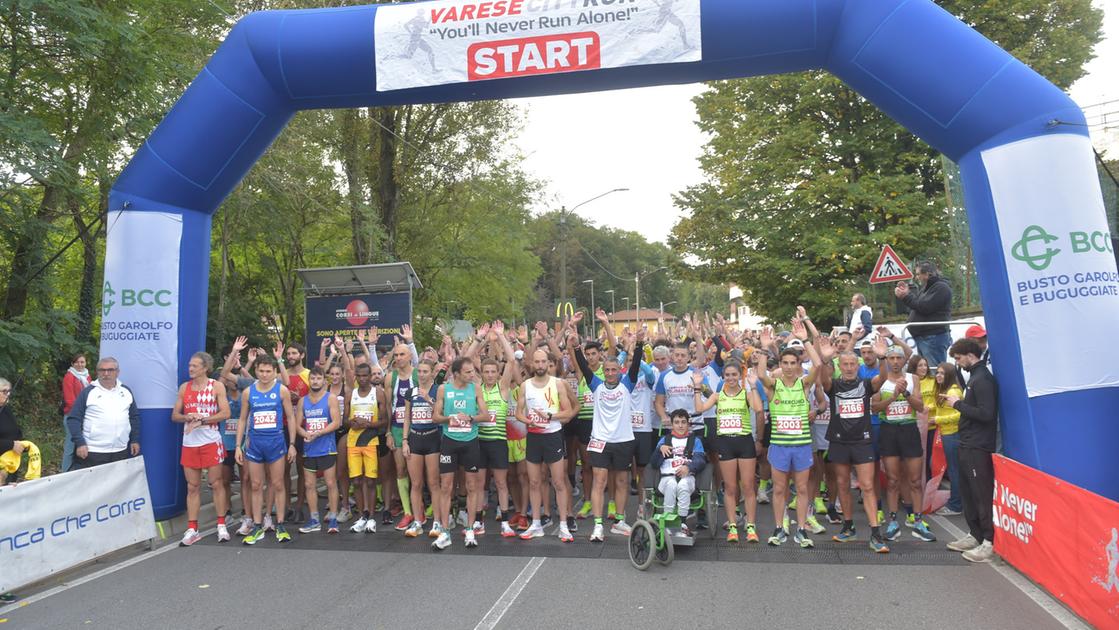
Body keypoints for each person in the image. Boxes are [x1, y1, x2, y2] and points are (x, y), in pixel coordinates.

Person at [568, 322, 643, 542]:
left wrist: (638, 343)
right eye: (607, 370)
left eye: (613, 370)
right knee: (599, 482)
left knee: (621, 482)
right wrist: (574, 345)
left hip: (623, 440)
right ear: (603, 371)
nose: (610, 373)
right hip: (600, 440)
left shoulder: (627, 383)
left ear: (620, 370)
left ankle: (619, 521)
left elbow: (636, 364)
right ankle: (598, 525)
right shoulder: (596, 384)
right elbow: (581, 362)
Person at [817, 337, 889, 553]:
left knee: (867, 485)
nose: (848, 368)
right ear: (840, 367)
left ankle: (876, 533)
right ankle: (848, 527)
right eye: (845, 364)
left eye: (852, 364)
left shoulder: (866, 384)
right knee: (842, 484)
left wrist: (882, 357)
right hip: (839, 440)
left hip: (862, 441)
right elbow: (823, 379)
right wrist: (825, 359)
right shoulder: (834, 384)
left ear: (857, 367)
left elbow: (883, 378)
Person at [753, 320, 820, 549]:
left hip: (801, 446)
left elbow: (818, 366)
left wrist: (806, 340)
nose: (790, 366)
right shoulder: (774, 387)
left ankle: (801, 529)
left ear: (798, 364)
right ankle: (779, 528)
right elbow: (761, 373)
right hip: (780, 447)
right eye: (785, 363)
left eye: (793, 362)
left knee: (801, 489)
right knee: (780, 489)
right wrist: (763, 347)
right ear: (780, 364)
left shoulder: (803, 385)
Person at [871, 345, 936, 543]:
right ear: (887, 360)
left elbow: (920, 407)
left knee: (915, 480)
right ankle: (892, 521)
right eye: (891, 358)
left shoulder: (913, 378)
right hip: (889, 429)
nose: (896, 362)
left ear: (904, 360)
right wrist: (892, 396)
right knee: (892, 480)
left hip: (909, 429)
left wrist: (906, 393)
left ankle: (917, 521)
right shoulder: (879, 380)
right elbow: (874, 409)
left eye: (899, 358)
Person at [693, 360, 762, 543]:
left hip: (744, 442)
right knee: (730, 488)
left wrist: (754, 386)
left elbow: (758, 408)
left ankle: (751, 526)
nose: (731, 378)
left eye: (734, 375)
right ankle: (732, 526)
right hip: (725, 442)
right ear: (723, 377)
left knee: (747, 486)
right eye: (728, 375)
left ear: (740, 376)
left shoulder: (746, 394)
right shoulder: (717, 396)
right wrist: (697, 388)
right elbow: (699, 409)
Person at [944, 338, 998, 563]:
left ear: (969, 354)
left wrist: (957, 404)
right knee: (968, 493)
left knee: (980, 494)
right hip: (967, 443)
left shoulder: (983, 379)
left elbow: (987, 414)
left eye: (958, 358)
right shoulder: (975, 378)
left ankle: (988, 541)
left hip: (978, 446)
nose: (958, 363)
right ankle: (975, 534)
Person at [514, 348, 577, 542]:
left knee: (558, 482)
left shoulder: (558, 384)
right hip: (533, 437)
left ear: (548, 363)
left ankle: (564, 526)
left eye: (544, 362)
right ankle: (535, 524)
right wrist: (527, 421)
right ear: (532, 363)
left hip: (553, 436)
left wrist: (550, 416)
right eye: (537, 362)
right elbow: (518, 413)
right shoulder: (525, 385)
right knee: (534, 482)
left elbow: (568, 412)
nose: (540, 365)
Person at [235, 355, 297, 545]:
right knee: (255, 484)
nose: (264, 374)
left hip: (276, 442)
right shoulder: (248, 392)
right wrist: (238, 445)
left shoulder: (282, 390)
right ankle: (256, 524)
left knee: (278, 484)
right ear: (256, 371)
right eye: (261, 371)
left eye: (268, 371)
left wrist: (292, 443)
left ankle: (279, 523)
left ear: (275, 372)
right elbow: (243, 419)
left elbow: (291, 417)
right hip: (255, 444)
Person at [172, 352, 232, 546]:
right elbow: (175, 415)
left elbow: (225, 413)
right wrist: (187, 417)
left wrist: (203, 420)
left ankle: (221, 524)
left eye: (194, 366)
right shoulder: (185, 387)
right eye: (190, 365)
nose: (190, 369)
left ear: (205, 368)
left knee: (216, 483)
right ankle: (192, 528)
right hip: (189, 443)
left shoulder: (216, 386)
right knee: (192, 487)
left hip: (210, 441)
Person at [431, 357, 489, 550]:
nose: (472, 375)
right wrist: (451, 419)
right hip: (449, 442)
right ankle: (445, 531)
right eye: (468, 372)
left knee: (472, 486)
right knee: (446, 487)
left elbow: (485, 415)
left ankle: (470, 529)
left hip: (470, 442)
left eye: (473, 371)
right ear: (456, 374)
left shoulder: (476, 388)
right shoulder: (443, 389)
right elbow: (435, 417)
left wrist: (470, 418)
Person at [476, 322, 519, 537]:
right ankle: (478, 522)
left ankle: (504, 521)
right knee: (479, 483)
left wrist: (502, 337)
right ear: (482, 373)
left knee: (501, 483)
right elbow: (464, 360)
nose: (490, 375)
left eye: (493, 371)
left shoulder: (503, 388)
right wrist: (480, 338)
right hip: (480, 442)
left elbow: (511, 360)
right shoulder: (477, 388)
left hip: (498, 442)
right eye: (487, 372)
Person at [66, 358, 141, 470]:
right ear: (97, 372)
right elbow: (73, 419)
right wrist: (80, 443)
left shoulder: (126, 391)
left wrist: (134, 440)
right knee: (91, 486)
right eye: (102, 370)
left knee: (117, 486)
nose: (106, 374)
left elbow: (134, 417)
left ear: (117, 372)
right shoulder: (88, 392)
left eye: (110, 370)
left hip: (120, 450)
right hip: (93, 451)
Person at [296, 367, 342, 534]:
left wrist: (319, 433)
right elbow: (297, 425)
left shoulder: (331, 398)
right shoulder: (303, 401)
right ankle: (314, 519)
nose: (315, 381)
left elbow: (336, 422)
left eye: (318, 378)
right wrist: (305, 434)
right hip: (310, 448)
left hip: (326, 447)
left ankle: (333, 518)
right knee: (309, 484)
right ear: (309, 380)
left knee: (330, 483)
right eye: (312, 378)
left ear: (324, 380)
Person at [400, 359, 442, 538]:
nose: (422, 375)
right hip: (415, 439)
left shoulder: (438, 390)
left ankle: (438, 522)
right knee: (416, 483)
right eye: (420, 372)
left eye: (426, 371)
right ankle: (418, 521)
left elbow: (442, 414)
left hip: (433, 438)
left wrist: (430, 401)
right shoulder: (411, 392)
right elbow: (407, 418)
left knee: (433, 483)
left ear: (432, 373)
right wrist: (404, 440)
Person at [649, 409, 706, 537]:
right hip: (666, 478)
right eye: (677, 422)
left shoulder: (695, 441)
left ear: (688, 424)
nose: (680, 425)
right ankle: (668, 520)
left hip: (687, 477)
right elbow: (653, 463)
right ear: (672, 424)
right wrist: (659, 450)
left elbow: (701, 460)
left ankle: (682, 523)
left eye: (683, 422)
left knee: (683, 485)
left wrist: (689, 467)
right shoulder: (664, 440)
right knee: (671, 485)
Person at [346, 362, 387, 534]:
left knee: (370, 480)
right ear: (355, 376)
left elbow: (385, 421)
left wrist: (367, 424)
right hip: (353, 442)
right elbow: (344, 420)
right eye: (359, 375)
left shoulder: (377, 393)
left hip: (370, 441)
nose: (362, 379)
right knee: (356, 480)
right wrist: (352, 423)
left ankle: (371, 517)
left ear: (370, 376)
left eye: (365, 375)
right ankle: (362, 516)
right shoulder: (351, 393)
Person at [894, 261, 953, 365]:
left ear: (927, 274)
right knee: (927, 373)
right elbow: (917, 304)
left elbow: (924, 307)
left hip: (933, 337)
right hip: (925, 337)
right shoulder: (927, 288)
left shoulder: (941, 288)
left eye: (918, 274)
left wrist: (906, 297)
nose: (917, 277)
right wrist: (908, 294)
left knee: (935, 371)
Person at [931, 362, 963, 516]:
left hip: (953, 434)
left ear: (950, 375)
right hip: (947, 433)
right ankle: (957, 502)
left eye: (942, 373)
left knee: (955, 470)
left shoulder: (953, 390)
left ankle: (956, 505)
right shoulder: (943, 389)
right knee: (954, 470)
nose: (938, 375)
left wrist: (937, 419)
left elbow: (960, 414)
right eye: (937, 372)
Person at [61, 353, 90, 472]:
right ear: (72, 364)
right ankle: (64, 472)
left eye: (82, 362)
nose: (80, 364)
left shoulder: (87, 376)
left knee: (82, 444)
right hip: (72, 415)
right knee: (70, 446)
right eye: (77, 362)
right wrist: (81, 412)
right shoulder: (69, 376)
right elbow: (69, 400)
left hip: (85, 416)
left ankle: (77, 471)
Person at [0, 377, 25, 484]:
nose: (8, 394)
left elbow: (16, 431)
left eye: (9, 391)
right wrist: (11, 445)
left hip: (11, 462)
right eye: (4, 391)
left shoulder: (6, 409)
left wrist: (23, 444)